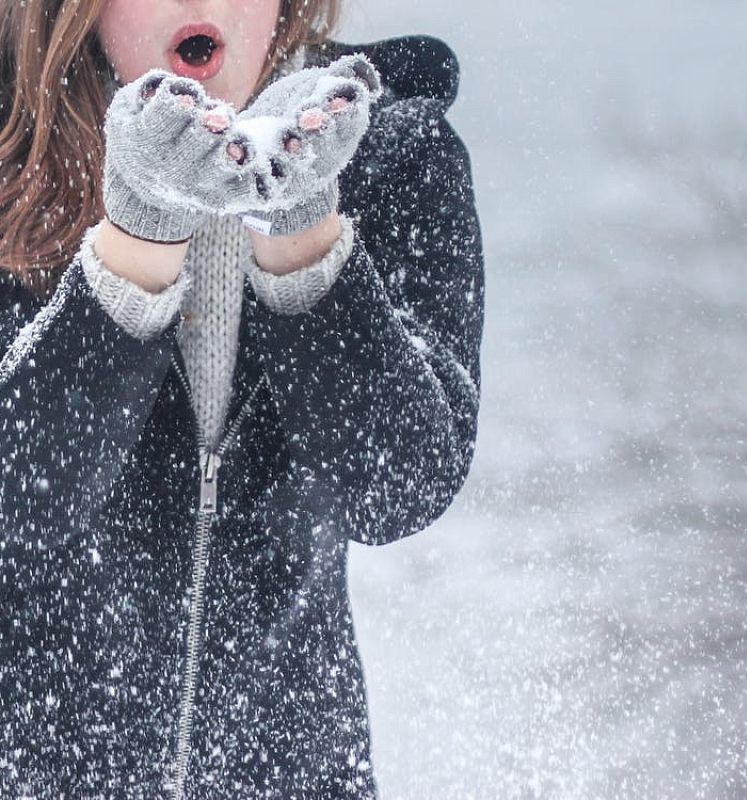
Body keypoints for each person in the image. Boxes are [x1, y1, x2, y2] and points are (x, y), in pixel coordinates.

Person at [0, 0, 484, 796]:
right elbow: (18, 501)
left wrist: (303, 237)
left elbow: (401, 484)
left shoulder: (393, 153)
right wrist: (139, 240)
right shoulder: (10, 155)